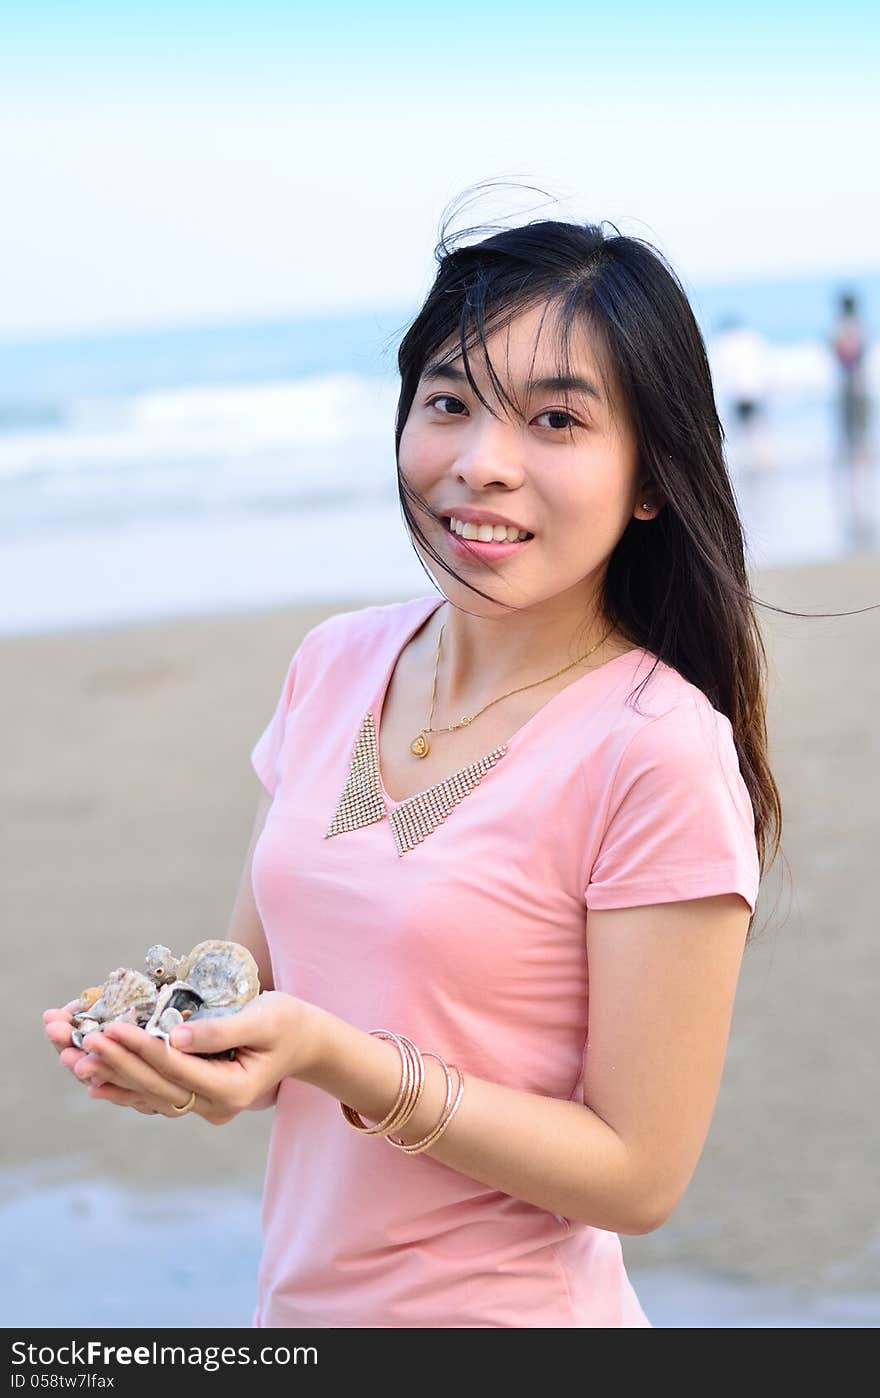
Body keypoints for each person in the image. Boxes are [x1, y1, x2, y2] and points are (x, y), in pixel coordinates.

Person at [44, 209, 781, 1329]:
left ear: (649, 479)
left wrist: (344, 1061)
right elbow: (254, 995)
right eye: (448, 404)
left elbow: (640, 1176)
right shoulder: (333, 663)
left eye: (554, 419)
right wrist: (171, 1052)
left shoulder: (657, 749)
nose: (481, 464)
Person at [831, 290, 870, 456]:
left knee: (848, 428)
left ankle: (852, 465)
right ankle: (859, 461)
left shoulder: (840, 326)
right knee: (860, 428)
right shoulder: (860, 325)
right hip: (860, 381)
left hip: (847, 381)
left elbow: (838, 352)